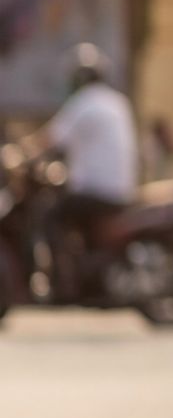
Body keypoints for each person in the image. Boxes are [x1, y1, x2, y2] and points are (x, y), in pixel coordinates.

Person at [39, 45, 137, 297]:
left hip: (96, 191)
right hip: (122, 190)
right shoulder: (117, 101)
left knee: (50, 217)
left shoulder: (84, 102)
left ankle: (61, 278)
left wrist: (18, 151)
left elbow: (49, 140)